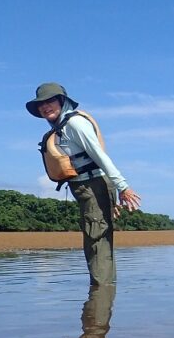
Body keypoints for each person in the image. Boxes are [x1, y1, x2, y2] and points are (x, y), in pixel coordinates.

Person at [26, 82, 141, 286]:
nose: (45, 106)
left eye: (50, 101)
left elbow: (100, 156)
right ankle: (102, 293)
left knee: (97, 240)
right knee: (95, 241)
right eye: (41, 104)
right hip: (84, 188)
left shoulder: (75, 124)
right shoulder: (62, 126)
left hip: (94, 185)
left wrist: (123, 187)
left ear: (62, 101)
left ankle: (100, 299)